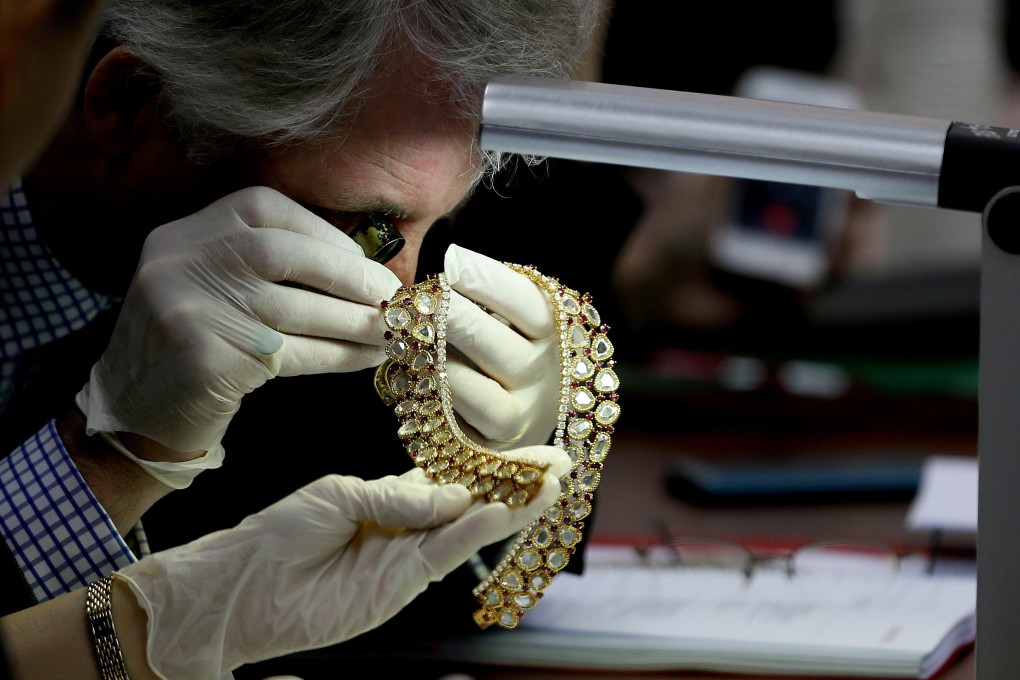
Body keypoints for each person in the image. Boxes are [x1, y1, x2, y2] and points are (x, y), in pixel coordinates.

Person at [0, 0, 602, 677]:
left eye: (437, 222)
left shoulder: (345, 170)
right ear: (132, 107)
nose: (405, 290)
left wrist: (499, 468)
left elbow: (414, 605)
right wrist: (107, 463)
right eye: (374, 228)